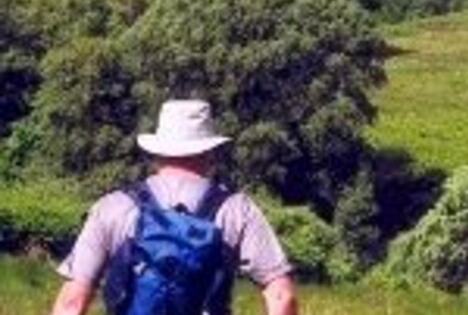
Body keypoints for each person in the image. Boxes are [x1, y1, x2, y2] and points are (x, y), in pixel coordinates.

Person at [50, 100, 298, 315]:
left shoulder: (113, 207)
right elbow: (281, 297)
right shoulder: (236, 209)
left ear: (157, 150)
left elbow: (72, 303)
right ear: (210, 151)